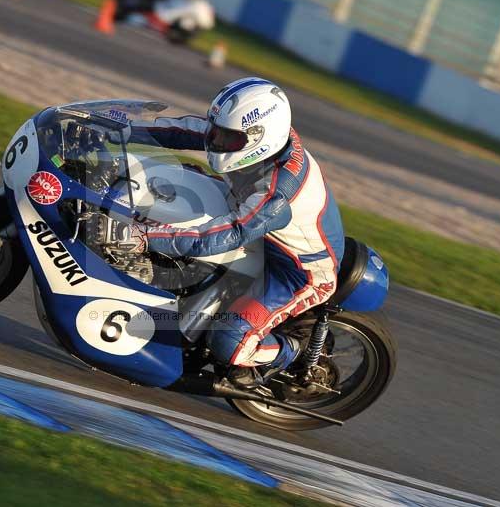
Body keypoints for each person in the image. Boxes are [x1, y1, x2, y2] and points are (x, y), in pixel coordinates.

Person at [121, 77, 345, 389]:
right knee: (166, 189)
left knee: (228, 339)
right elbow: (184, 130)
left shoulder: (278, 192)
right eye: (218, 132)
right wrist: (121, 129)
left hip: (298, 272)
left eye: (227, 138)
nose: (216, 141)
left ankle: (294, 352)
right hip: (256, 228)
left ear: (257, 138)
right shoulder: (254, 138)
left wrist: (147, 237)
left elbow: (232, 233)